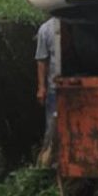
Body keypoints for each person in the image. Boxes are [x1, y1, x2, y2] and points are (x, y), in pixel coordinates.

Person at [35, 17, 61, 167]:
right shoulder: (46, 29)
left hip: (73, 87)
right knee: (52, 128)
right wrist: (41, 88)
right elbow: (41, 61)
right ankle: (48, 164)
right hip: (53, 90)